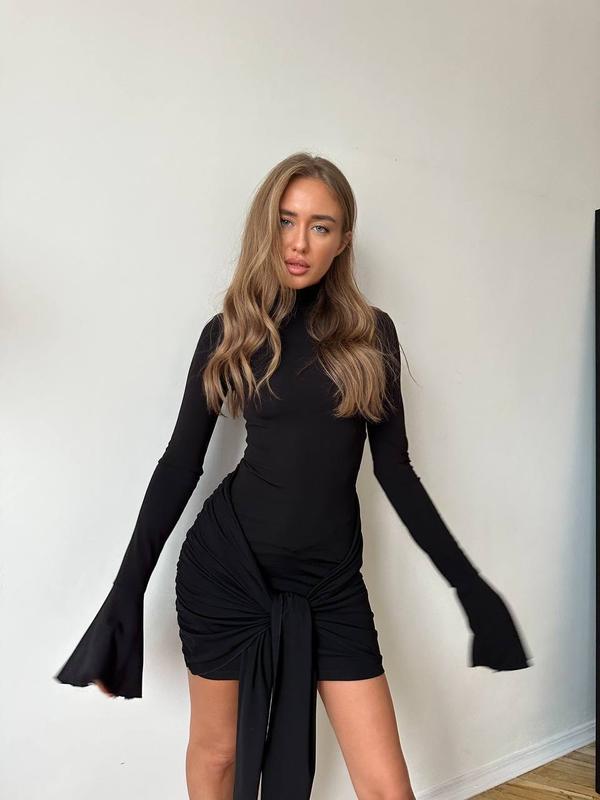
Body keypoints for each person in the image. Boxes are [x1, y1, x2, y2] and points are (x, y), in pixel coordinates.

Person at [54, 152, 532, 800]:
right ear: (265, 226)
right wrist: (124, 598)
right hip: (227, 573)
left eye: (320, 226)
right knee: (219, 756)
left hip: (331, 584)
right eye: (286, 221)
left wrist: (470, 587)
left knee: (387, 787)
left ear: (343, 240)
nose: (300, 242)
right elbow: (179, 466)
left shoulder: (371, 335)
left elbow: (395, 472)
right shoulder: (230, 334)